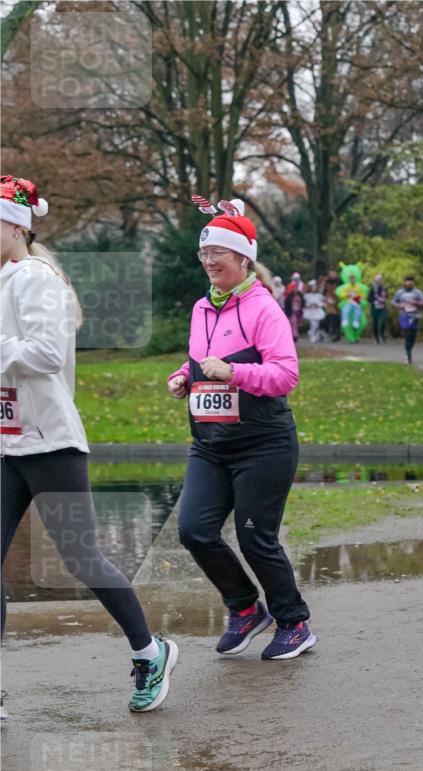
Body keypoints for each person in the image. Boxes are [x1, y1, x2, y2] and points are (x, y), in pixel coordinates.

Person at [0, 175, 178, 714]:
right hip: (7, 448)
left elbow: (46, 354)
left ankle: (151, 652)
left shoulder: (36, 278)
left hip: (52, 445)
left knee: (82, 558)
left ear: (14, 225)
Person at [167, 196, 316, 660]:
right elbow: (204, 362)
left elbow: (285, 374)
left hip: (262, 445)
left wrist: (233, 375)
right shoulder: (201, 308)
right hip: (210, 444)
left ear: (243, 259)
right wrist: (185, 376)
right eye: (204, 254)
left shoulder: (263, 309)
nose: (209, 262)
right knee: (193, 530)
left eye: (219, 255)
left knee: (254, 534)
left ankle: (294, 622)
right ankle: (246, 610)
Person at [391, 276, 423, 364]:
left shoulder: (417, 292)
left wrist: (416, 303)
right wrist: (400, 306)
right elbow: (393, 302)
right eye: (407, 281)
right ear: (404, 282)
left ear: (413, 283)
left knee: (413, 336)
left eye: (411, 282)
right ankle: (408, 354)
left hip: (415, 316)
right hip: (404, 315)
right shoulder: (400, 292)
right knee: (407, 334)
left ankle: (409, 350)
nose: (409, 283)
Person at [368, 274, 388, 344]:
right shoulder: (372, 288)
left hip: (382, 306)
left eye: (381, 279)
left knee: (384, 320)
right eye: (378, 279)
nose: (380, 281)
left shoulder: (384, 288)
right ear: (375, 280)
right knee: (375, 322)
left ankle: (381, 335)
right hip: (375, 306)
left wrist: (382, 300)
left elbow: (386, 297)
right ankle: (376, 337)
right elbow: (369, 298)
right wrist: (375, 301)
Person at [322, 268, 341, 341]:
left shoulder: (339, 282)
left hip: (337, 303)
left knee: (337, 320)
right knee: (329, 319)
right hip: (329, 304)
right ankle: (331, 333)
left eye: (333, 273)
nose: (332, 275)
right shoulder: (327, 282)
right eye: (330, 274)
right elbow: (324, 292)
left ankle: (336, 334)